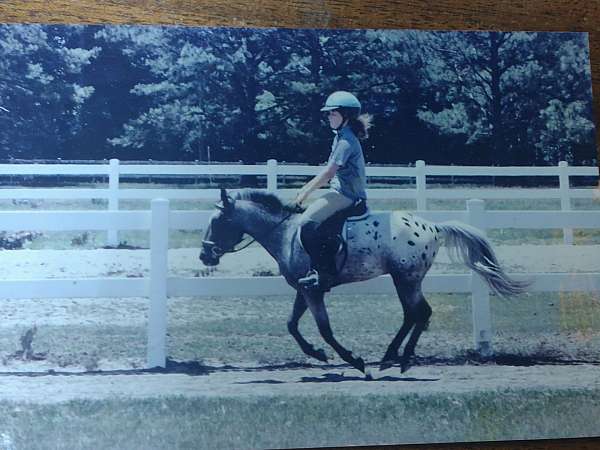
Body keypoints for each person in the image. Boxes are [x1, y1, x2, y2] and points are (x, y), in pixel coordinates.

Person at [295, 91, 372, 291]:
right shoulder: (341, 137)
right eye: (328, 114)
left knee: (306, 222)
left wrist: (305, 193)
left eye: (333, 114)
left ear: (346, 116)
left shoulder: (346, 141)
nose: (329, 117)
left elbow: (329, 173)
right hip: (342, 191)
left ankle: (322, 273)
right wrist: (305, 188)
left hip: (347, 195)